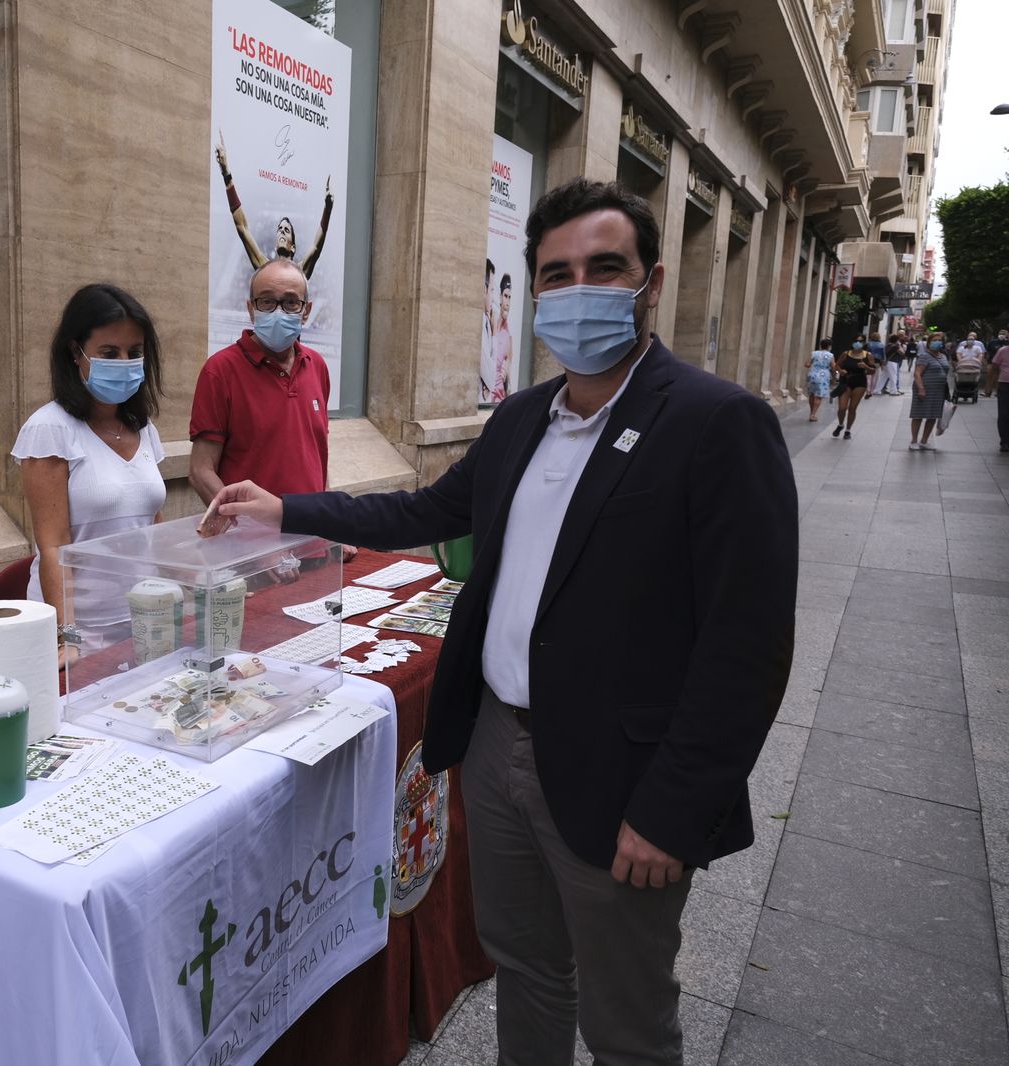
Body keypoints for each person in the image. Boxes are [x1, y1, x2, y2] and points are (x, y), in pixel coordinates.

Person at [204, 178, 797, 1065]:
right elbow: (419, 513)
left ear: (652, 282)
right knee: (526, 969)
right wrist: (284, 509)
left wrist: (674, 812)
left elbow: (746, 646)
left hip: (620, 779)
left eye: (605, 268)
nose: (577, 291)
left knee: (628, 1020)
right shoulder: (521, 417)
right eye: (555, 275)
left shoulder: (717, 424)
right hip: (495, 751)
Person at [12, 284, 165, 663]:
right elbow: (53, 546)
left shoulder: (143, 427)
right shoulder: (50, 428)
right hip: (83, 632)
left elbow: (154, 529)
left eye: (135, 353)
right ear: (75, 352)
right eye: (109, 353)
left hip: (143, 620)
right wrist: (66, 638)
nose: (126, 362)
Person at [189, 258, 330, 503]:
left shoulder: (316, 365)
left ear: (306, 311)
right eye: (266, 301)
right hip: (250, 537)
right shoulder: (220, 371)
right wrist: (238, 527)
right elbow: (201, 471)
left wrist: (332, 518)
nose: (278, 311)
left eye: (290, 302)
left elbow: (319, 455)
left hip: (312, 532)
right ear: (251, 309)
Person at [213, 131, 332, 278]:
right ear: (275, 246)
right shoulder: (265, 267)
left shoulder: (300, 273)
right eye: (280, 229)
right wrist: (226, 174)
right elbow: (242, 228)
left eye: (286, 230)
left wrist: (328, 208)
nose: (281, 231)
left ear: (293, 247)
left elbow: (315, 247)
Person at [909, 334, 949, 451]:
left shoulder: (943, 356)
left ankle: (924, 441)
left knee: (933, 415)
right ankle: (914, 441)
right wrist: (921, 388)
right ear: (929, 342)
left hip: (938, 391)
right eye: (934, 340)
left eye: (939, 340)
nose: (937, 342)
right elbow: (917, 373)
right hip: (924, 389)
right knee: (918, 415)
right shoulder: (924, 356)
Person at [831, 335, 874, 440]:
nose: (858, 343)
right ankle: (841, 424)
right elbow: (837, 365)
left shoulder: (868, 355)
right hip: (845, 381)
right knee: (842, 408)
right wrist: (840, 371)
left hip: (860, 382)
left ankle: (848, 430)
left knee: (852, 408)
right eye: (856, 340)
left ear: (864, 343)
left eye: (860, 341)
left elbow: (872, 371)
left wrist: (866, 367)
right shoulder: (846, 354)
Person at [491, 273, 514, 403]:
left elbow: (509, 385)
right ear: (500, 297)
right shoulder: (491, 324)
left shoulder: (509, 337)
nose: (508, 303)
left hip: (498, 403)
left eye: (510, 297)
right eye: (506, 296)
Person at [804, 338, 834, 421]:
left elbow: (807, 364)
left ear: (820, 345)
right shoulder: (830, 355)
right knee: (819, 396)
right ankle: (813, 414)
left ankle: (811, 413)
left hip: (812, 374)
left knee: (812, 395)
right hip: (823, 376)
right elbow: (833, 366)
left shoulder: (814, 353)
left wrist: (811, 365)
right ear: (829, 346)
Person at [480, 259, 497, 403]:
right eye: (492, 290)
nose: (493, 297)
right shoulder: (479, 322)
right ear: (483, 290)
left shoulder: (486, 321)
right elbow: (492, 379)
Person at [988, 337, 1009, 451]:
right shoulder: (1003, 351)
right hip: (1005, 385)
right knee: (1004, 414)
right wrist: (989, 385)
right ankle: (1004, 441)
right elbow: (994, 368)